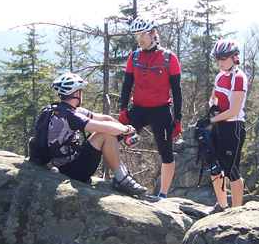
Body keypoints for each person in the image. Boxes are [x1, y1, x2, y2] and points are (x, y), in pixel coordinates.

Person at [49, 72, 147, 196]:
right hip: (71, 171)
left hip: (68, 165)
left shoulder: (64, 110)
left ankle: (122, 175)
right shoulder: (71, 116)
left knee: (105, 131)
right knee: (105, 134)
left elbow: (106, 119)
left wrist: (125, 131)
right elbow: (109, 130)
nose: (82, 94)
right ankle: (121, 179)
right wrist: (128, 131)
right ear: (76, 93)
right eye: (81, 91)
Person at [119, 17, 183, 199]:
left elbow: (177, 91)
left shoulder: (169, 58)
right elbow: (126, 84)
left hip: (161, 111)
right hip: (138, 110)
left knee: (166, 153)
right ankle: (119, 177)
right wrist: (124, 109)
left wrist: (178, 119)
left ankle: (163, 194)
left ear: (154, 34)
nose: (140, 39)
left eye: (143, 35)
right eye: (137, 35)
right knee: (115, 136)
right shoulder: (134, 56)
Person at [201, 38, 248, 214]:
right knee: (214, 165)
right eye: (217, 59)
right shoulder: (220, 76)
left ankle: (236, 212)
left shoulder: (239, 78)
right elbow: (213, 97)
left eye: (223, 58)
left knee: (232, 169)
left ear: (234, 57)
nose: (220, 62)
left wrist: (212, 120)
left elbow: (235, 110)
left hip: (233, 127)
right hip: (219, 125)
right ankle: (222, 205)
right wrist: (212, 106)